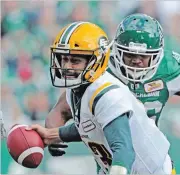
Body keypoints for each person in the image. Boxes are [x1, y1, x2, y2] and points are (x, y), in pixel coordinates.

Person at [27, 21, 172, 174]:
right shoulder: (77, 90)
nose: (67, 67)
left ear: (96, 61)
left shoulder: (107, 95)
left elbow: (124, 151)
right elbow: (92, 126)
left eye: (75, 61)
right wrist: (55, 134)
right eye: (64, 59)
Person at [109, 13, 180, 126]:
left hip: (147, 142)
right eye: (130, 54)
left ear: (157, 54)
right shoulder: (103, 68)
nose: (137, 60)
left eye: (144, 55)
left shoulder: (168, 67)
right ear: (117, 50)